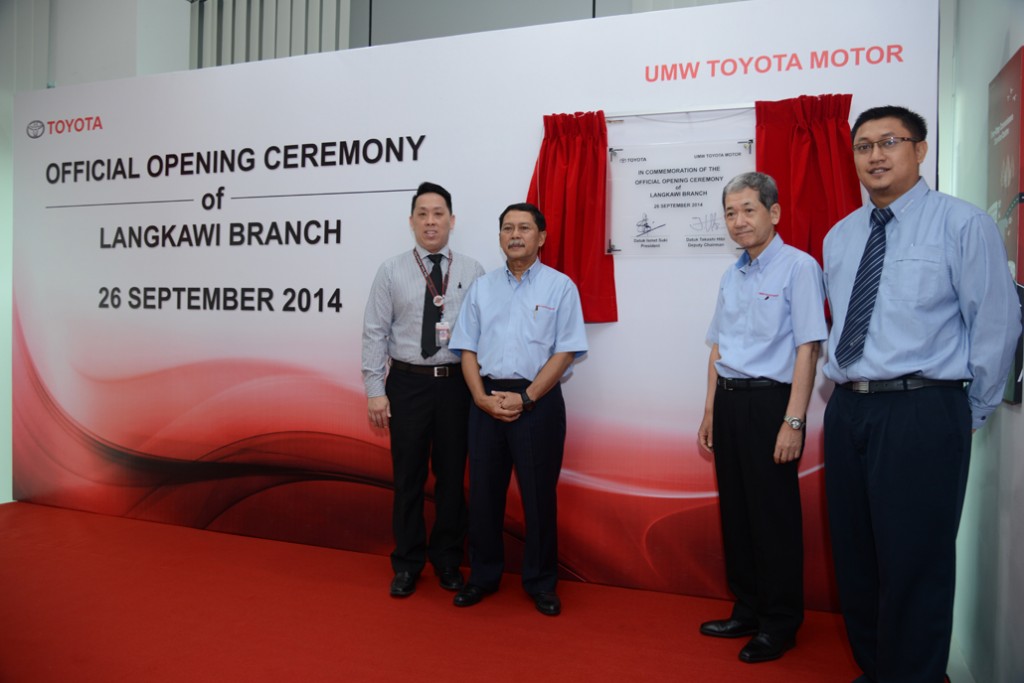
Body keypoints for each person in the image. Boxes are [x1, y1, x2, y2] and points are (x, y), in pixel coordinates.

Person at [822, 106, 1021, 682]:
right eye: (863, 146)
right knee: (857, 559)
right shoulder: (841, 236)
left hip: (922, 408)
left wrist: (966, 410)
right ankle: (878, 669)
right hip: (850, 407)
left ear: (921, 150)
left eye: (890, 142)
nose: (876, 156)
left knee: (916, 561)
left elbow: (996, 324)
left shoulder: (962, 224)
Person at [696, 172, 827, 663]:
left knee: (772, 518)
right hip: (730, 403)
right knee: (738, 514)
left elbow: (808, 348)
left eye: (748, 210)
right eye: (730, 212)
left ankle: (780, 622)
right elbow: (718, 348)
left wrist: (794, 422)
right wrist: (709, 410)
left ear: (773, 213)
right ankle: (747, 608)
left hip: (772, 404)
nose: (738, 221)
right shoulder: (734, 274)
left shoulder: (799, 267)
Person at [447, 202, 587, 616]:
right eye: (507, 228)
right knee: (485, 495)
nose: (515, 235)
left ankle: (541, 582)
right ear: (500, 237)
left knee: (538, 497)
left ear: (541, 237)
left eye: (524, 228)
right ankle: (484, 576)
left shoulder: (560, 287)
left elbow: (565, 352)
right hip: (485, 400)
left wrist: (526, 398)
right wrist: (479, 398)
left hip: (538, 403)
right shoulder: (482, 287)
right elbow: (466, 347)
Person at [362, 181, 485, 598]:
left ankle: (448, 561)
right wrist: (375, 389)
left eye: (438, 214)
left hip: (456, 387)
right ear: (411, 221)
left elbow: (484, 334)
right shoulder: (391, 270)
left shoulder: (472, 271)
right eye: (422, 214)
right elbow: (375, 332)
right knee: (408, 478)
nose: (431, 221)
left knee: (452, 479)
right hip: (407, 385)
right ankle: (408, 562)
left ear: (452, 220)